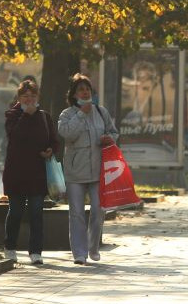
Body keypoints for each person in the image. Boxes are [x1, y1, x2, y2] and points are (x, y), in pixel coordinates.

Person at [58, 74, 118, 265]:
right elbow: (67, 134)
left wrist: (110, 138)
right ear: (74, 94)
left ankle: (93, 247)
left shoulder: (101, 111)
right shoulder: (67, 114)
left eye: (87, 89)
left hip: (98, 169)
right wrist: (81, 113)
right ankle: (79, 253)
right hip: (76, 171)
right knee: (76, 212)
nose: (85, 92)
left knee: (98, 209)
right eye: (81, 90)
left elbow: (113, 131)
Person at [2, 80, 60, 264]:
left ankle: (36, 252)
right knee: (16, 212)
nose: (29, 99)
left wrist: (51, 149)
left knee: (36, 213)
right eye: (25, 96)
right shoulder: (12, 115)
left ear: (38, 97)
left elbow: (54, 140)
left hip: (37, 174)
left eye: (32, 96)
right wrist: (26, 116)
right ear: (19, 98)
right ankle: (10, 247)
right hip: (16, 173)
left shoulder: (44, 116)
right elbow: (15, 136)